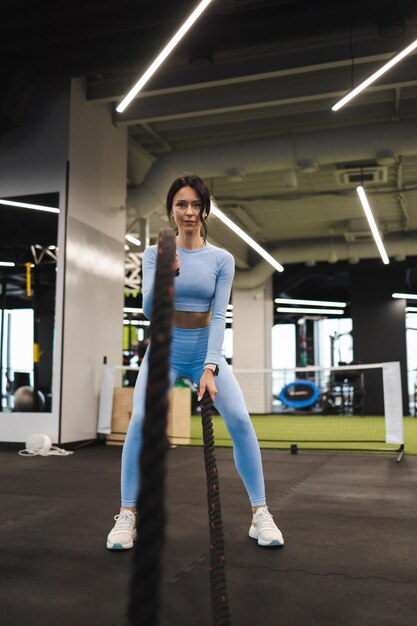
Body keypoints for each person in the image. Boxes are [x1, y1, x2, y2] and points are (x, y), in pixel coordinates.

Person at [107, 174, 284, 550]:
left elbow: (219, 316)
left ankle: (260, 514)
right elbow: (149, 310)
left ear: (205, 209)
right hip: (165, 351)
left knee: (239, 419)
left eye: (195, 205)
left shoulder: (222, 259)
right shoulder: (156, 254)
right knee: (139, 420)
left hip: (206, 350)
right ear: (171, 209)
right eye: (181, 204)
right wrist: (166, 275)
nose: (189, 212)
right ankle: (127, 515)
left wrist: (210, 367)